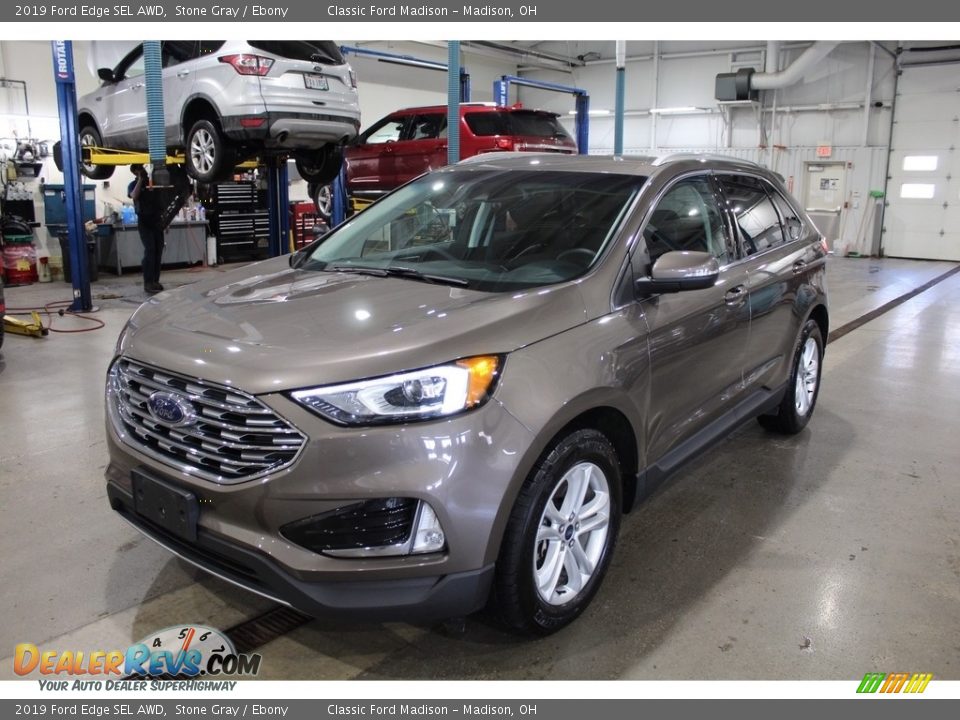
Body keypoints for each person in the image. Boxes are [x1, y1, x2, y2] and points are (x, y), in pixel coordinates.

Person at [128, 164, 165, 294]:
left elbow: (161, 201)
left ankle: (155, 280)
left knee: (158, 250)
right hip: (144, 221)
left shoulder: (152, 184)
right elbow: (134, 196)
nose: (142, 171)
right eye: (138, 170)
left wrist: (167, 222)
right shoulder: (133, 185)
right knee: (150, 250)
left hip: (157, 221)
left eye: (142, 168)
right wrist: (140, 180)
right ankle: (148, 282)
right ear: (134, 172)